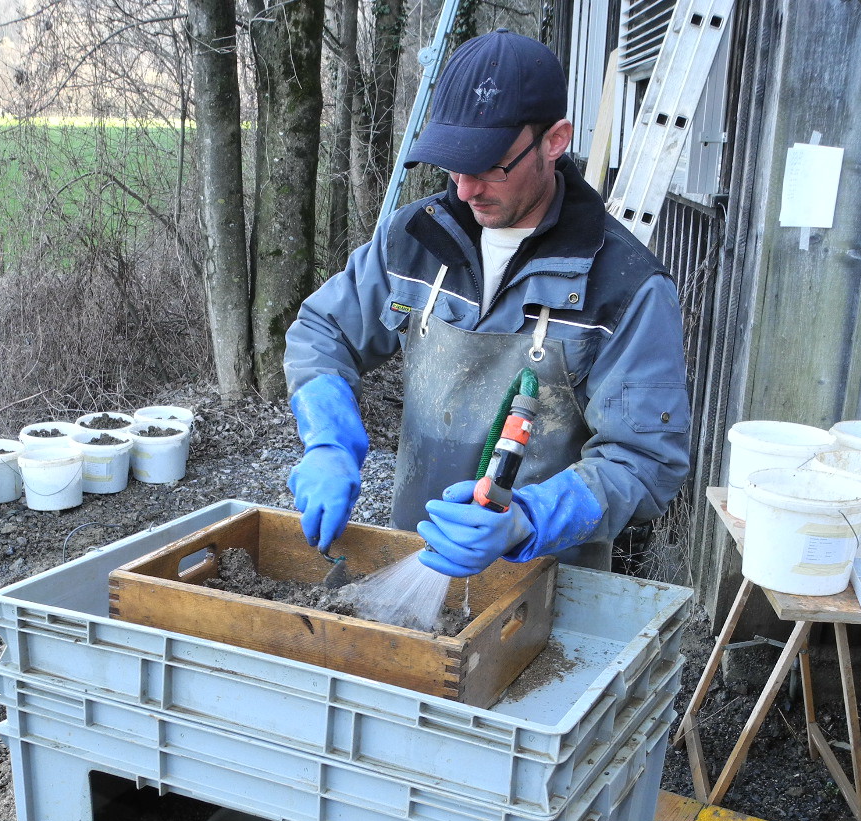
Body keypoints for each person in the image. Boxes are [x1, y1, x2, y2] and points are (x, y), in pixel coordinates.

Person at [283, 28, 690, 576]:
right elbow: (323, 330)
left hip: (549, 581)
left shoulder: (626, 288)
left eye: (490, 166)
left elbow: (645, 459)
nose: (465, 189)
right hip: (417, 549)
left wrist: (527, 519)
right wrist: (328, 440)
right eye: (454, 165)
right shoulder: (415, 239)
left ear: (554, 140)